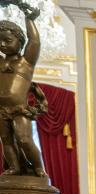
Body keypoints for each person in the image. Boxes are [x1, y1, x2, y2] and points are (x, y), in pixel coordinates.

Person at [0, 2, 48, 177]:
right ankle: (15, 167)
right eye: (0, 41)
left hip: (19, 108)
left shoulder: (26, 62)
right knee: (6, 141)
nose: (3, 44)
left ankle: (38, 168)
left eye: (8, 40)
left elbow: (34, 40)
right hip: (1, 110)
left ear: (20, 42)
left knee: (24, 139)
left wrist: (29, 19)